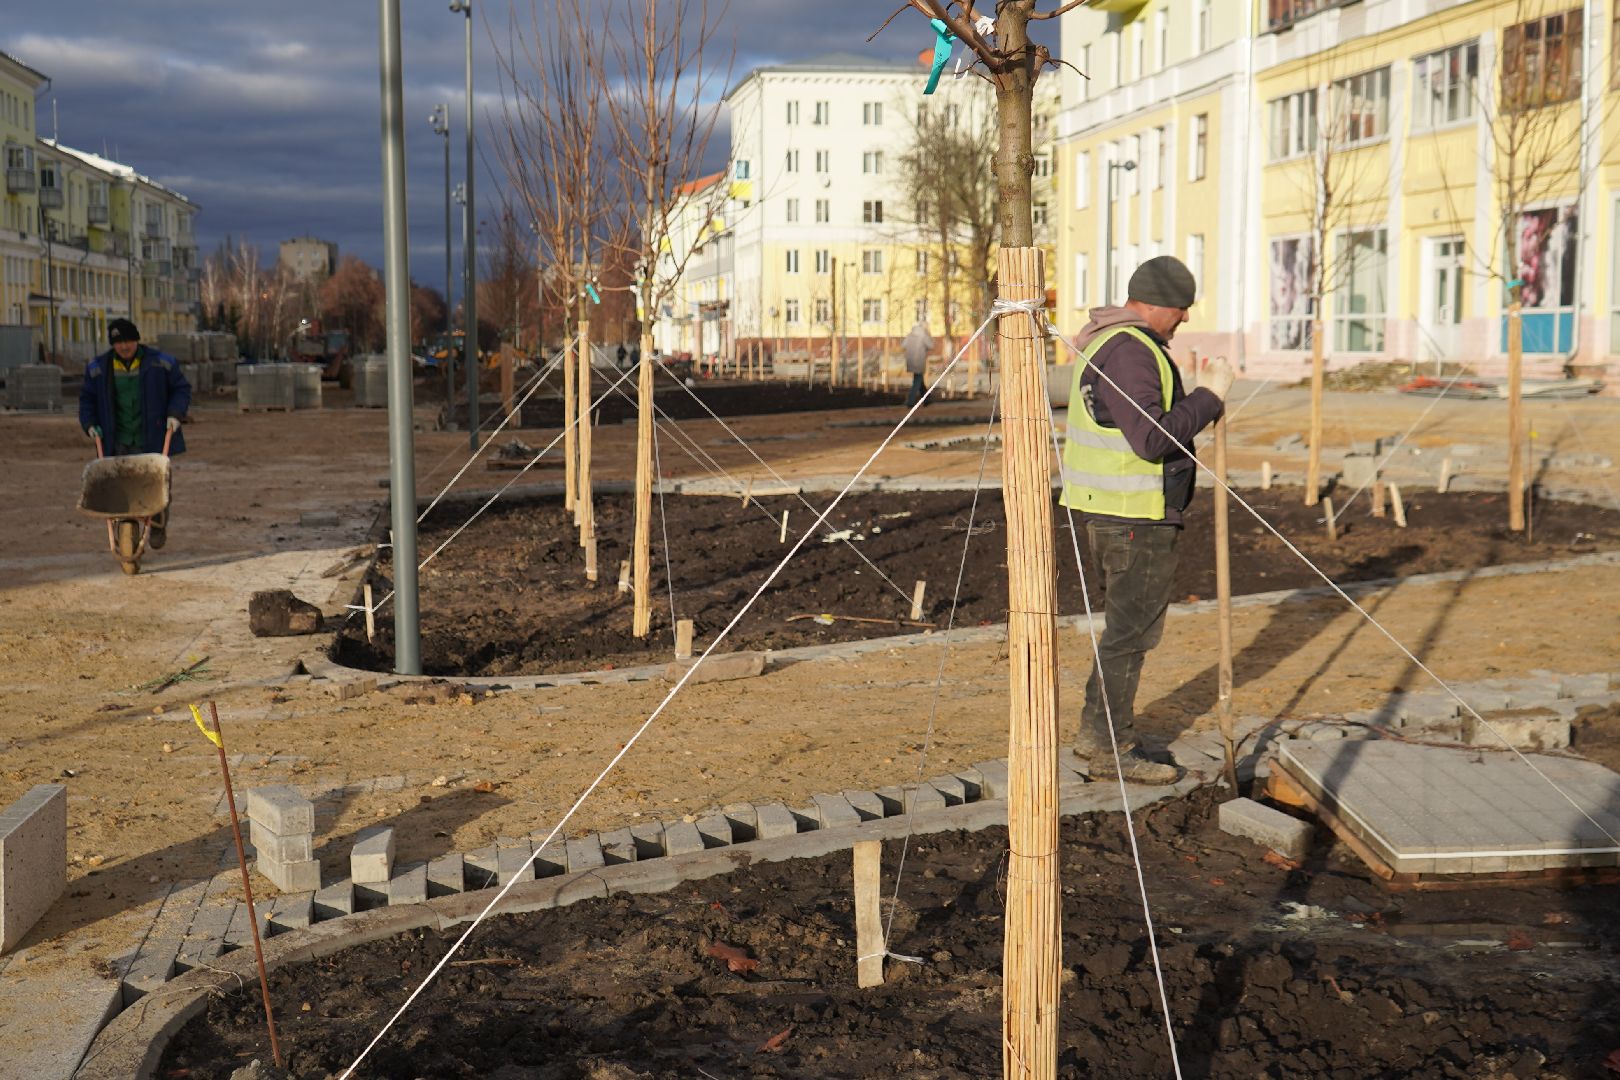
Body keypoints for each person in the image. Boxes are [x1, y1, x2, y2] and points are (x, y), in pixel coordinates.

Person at [1059, 256, 1234, 785]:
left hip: (1116, 510)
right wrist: (1209, 398)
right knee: (1132, 636)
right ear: (1157, 304)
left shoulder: (1107, 341)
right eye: (1181, 310)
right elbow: (1154, 438)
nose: (1183, 320)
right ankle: (1113, 747)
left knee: (1122, 631)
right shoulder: (1132, 352)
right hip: (1134, 515)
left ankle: (1095, 734)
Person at [78, 318, 191, 548]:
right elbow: (87, 400)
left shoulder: (161, 363)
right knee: (121, 489)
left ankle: (158, 522)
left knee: (157, 485)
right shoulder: (98, 369)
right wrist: (89, 423)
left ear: (137, 340)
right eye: (118, 343)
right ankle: (125, 527)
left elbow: (181, 388)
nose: (124, 347)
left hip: (152, 436)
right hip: (116, 438)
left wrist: (175, 414)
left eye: (128, 341)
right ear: (113, 345)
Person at [902, 319, 932, 408]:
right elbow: (931, 345)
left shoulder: (910, 334)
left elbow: (903, 345)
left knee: (919, 380)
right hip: (919, 360)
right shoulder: (923, 335)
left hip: (910, 360)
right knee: (917, 381)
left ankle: (927, 399)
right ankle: (910, 401)